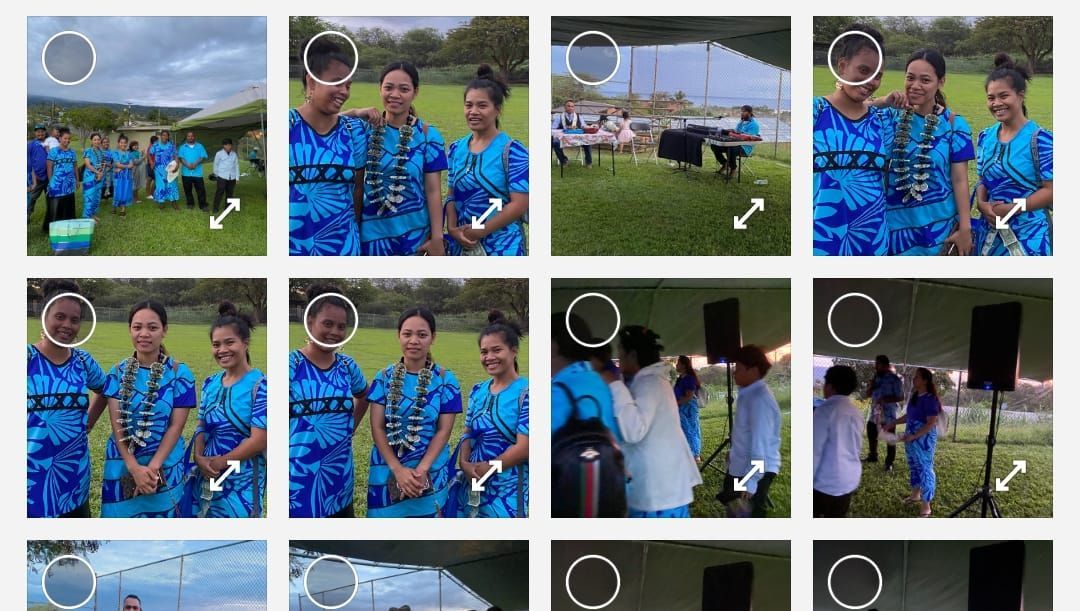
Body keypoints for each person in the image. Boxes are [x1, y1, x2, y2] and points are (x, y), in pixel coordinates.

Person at [339, 61, 448, 255]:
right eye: (388, 87)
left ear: (415, 92)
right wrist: (355, 112)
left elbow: (433, 191)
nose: (395, 95)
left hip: (416, 236)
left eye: (404, 89)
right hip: (371, 237)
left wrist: (437, 237)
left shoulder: (428, 135)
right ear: (380, 89)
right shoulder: (363, 129)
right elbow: (325, 123)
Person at [101, 300, 195, 517]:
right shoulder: (117, 372)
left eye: (152, 327)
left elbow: (176, 426)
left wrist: (152, 469)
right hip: (122, 464)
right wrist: (133, 468)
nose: (144, 334)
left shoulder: (180, 373)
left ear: (164, 331)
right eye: (137, 327)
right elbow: (118, 426)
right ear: (130, 330)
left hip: (164, 466)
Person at [876, 49, 975, 255]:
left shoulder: (955, 125)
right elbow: (846, 111)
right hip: (894, 230)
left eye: (925, 80)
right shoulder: (887, 117)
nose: (915, 86)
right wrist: (882, 101)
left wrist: (965, 227)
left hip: (940, 229)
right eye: (910, 78)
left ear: (941, 82)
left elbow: (960, 180)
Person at [367, 308, 462, 517]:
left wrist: (422, 470)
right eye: (407, 334)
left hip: (430, 473)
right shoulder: (383, 377)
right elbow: (377, 427)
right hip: (386, 471)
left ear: (433, 338)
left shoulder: (446, 380)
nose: (414, 341)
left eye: (422, 335)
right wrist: (398, 470)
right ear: (398, 335)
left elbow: (443, 431)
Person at [27, 280, 107, 518]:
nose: (67, 325)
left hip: (75, 482)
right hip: (31, 484)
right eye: (59, 317)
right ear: (44, 315)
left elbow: (105, 389)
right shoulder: (26, 358)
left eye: (74, 319)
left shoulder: (83, 361)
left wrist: (88, 422)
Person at [289, 36, 374, 256]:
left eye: (348, 85)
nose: (345, 91)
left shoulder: (354, 132)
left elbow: (357, 190)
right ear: (311, 82)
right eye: (337, 82)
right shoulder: (286, 126)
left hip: (346, 248)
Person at [289, 285, 368, 518]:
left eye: (341, 326)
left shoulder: (347, 366)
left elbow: (364, 395)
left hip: (340, 483)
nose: (335, 331)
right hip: (299, 483)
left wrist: (350, 427)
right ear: (310, 321)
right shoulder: (291, 364)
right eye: (327, 323)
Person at [813, 23, 892, 255]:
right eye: (864, 71)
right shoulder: (815, 111)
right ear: (842, 66)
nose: (871, 82)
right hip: (821, 240)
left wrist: (946, 115)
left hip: (874, 243)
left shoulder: (882, 121)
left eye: (878, 76)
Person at [609, 327, 701, 517]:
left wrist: (615, 385)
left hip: (659, 494)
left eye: (620, 353)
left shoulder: (649, 383)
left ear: (632, 355)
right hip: (664, 488)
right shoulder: (653, 381)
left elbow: (634, 430)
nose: (618, 358)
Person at [186, 302, 267, 518]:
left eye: (229, 342)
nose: (222, 350)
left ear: (245, 343)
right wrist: (199, 457)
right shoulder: (210, 382)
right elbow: (201, 424)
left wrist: (221, 463)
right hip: (205, 477)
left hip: (242, 483)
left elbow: (260, 440)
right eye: (216, 344)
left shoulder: (262, 385)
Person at [972, 53, 1053, 256]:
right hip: (988, 236)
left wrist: (1015, 207)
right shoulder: (985, 137)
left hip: (1030, 237)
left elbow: (1052, 190)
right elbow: (982, 179)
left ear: (1021, 94)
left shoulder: (1041, 139)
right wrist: (981, 204)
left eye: (1004, 96)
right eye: (991, 98)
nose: (996, 103)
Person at [446, 65, 529, 256]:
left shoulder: (513, 151)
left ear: (497, 110)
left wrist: (481, 230)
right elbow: (451, 193)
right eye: (469, 105)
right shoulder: (456, 149)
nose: (473, 111)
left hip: (503, 246)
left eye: (482, 105)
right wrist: (452, 229)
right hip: (461, 244)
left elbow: (519, 204)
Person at [454, 312, 529, 517]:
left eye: (497, 350)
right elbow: (467, 432)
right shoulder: (478, 390)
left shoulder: (529, 392)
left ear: (513, 351)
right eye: (484, 352)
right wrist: (464, 463)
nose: (489, 357)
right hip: (471, 486)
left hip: (508, 493)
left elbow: (524, 448)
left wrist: (490, 467)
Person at [725, 345, 782, 518]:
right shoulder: (749, 394)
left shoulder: (759, 400)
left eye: (738, 368)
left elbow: (760, 445)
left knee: (747, 517)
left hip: (754, 470)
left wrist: (750, 482)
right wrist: (734, 454)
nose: (734, 373)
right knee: (735, 510)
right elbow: (747, 434)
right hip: (744, 466)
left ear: (754, 370)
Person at [887, 367, 941, 517]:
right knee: (914, 465)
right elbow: (909, 416)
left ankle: (926, 505)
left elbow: (931, 423)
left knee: (925, 468)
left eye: (917, 377)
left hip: (923, 439)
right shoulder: (916, 396)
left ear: (925, 380)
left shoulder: (931, 399)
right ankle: (915, 495)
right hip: (910, 436)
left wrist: (915, 436)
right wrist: (894, 422)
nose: (913, 379)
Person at [813, 365, 863, 518]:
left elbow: (813, 450)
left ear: (830, 386)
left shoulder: (824, 410)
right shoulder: (856, 412)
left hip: (826, 482)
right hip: (848, 480)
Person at [864, 355, 903, 471]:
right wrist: (871, 386)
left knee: (890, 438)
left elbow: (901, 396)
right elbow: (868, 394)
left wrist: (886, 399)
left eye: (878, 364)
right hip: (875, 413)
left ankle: (889, 463)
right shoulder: (876, 378)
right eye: (875, 364)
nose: (875, 367)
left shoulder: (895, 379)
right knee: (871, 430)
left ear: (886, 365)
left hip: (889, 415)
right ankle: (873, 456)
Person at [712, 105, 760, 180]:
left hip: (745, 147)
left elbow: (748, 138)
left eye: (744, 111)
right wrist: (727, 131)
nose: (742, 113)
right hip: (734, 143)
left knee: (731, 149)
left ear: (750, 113)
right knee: (715, 146)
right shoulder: (741, 122)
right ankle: (725, 164)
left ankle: (733, 169)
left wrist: (735, 135)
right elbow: (736, 131)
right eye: (741, 111)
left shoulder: (754, 125)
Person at [43, 127, 78, 232]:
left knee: (68, 206)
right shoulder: (54, 151)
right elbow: (49, 167)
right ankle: (53, 228)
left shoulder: (72, 152)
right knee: (55, 206)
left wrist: (77, 180)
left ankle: (67, 226)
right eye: (65, 138)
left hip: (69, 184)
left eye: (69, 139)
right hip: (57, 184)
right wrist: (51, 182)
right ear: (60, 138)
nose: (67, 141)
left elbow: (75, 166)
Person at [673, 355, 703, 461]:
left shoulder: (689, 379)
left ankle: (695, 455)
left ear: (684, 365)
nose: (676, 365)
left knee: (691, 431)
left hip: (688, 410)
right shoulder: (680, 379)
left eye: (678, 363)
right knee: (683, 432)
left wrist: (675, 403)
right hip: (681, 410)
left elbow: (689, 397)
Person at [551, 99, 592, 166]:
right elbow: (552, 129)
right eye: (568, 106)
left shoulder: (579, 116)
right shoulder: (559, 117)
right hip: (563, 137)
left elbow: (583, 125)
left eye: (572, 106)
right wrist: (564, 130)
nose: (570, 108)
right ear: (565, 107)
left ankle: (589, 162)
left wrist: (590, 127)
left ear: (574, 108)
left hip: (577, 137)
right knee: (555, 142)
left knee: (587, 140)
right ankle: (564, 160)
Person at [149, 130, 180, 209]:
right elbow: (149, 153)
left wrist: (177, 165)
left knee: (172, 184)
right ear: (161, 136)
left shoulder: (171, 146)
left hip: (170, 169)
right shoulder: (155, 145)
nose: (164, 137)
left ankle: (173, 202)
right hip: (159, 170)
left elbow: (176, 156)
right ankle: (161, 202)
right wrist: (151, 162)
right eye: (163, 135)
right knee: (161, 185)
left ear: (168, 136)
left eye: (166, 135)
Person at [178, 131, 209, 211]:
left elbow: (202, 157)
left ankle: (203, 205)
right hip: (186, 173)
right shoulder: (182, 147)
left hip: (197, 173)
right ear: (186, 137)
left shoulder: (200, 146)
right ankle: (190, 203)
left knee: (201, 190)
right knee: (187, 190)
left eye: (192, 136)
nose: (190, 137)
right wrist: (187, 165)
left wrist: (195, 163)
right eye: (188, 136)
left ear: (194, 137)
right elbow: (181, 158)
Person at [81, 133, 107, 222]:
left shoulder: (102, 152)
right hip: (90, 177)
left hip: (100, 177)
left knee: (97, 197)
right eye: (95, 139)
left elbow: (104, 164)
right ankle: (87, 217)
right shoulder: (88, 151)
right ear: (91, 141)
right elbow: (88, 165)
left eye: (98, 139)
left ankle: (93, 214)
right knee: (89, 197)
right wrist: (97, 172)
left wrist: (101, 173)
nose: (97, 141)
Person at [212, 138, 240, 214]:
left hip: (232, 177)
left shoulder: (234, 154)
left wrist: (237, 177)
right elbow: (215, 165)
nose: (228, 146)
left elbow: (236, 166)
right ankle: (215, 208)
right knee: (219, 192)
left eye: (229, 145)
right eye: (226, 145)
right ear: (223, 145)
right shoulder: (219, 154)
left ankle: (227, 208)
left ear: (231, 145)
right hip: (222, 176)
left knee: (230, 193)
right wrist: (217, 175)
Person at [27, 125, 48, 219]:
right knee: (32, 197)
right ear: (35, 133)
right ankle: (27, 214)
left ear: (45, 132)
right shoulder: (30, 145)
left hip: (49, 177)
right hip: (37, 178)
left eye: (42, 131)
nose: (40, 133)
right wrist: (32, 181)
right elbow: (28, 162)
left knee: (51, 198)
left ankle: (51, 216)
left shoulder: (50, 143)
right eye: (38, 131)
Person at [111, 135, 134, 216]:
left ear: (127, 144)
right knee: (117, 191)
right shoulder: (115, 152)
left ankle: (123, 209)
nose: (123, 144)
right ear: (118, 143)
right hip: (118, 176)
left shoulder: (129, 153)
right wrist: (126, 166)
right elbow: (117, 164)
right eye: (121, 142)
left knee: (125, 191)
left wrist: (123, 166)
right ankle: (114, 206)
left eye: (125, 143)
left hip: (127, 176)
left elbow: (132, 164)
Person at [145, 135, 158, 200]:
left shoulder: (156, 146)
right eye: (156, 141)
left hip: (155, 165)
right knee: (150, 180)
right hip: (151, 165)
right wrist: (151, 163)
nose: (157, 142)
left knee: (154, 180)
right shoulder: (150, 147)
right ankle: (149, 194)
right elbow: (148, 156)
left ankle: (151, 194)